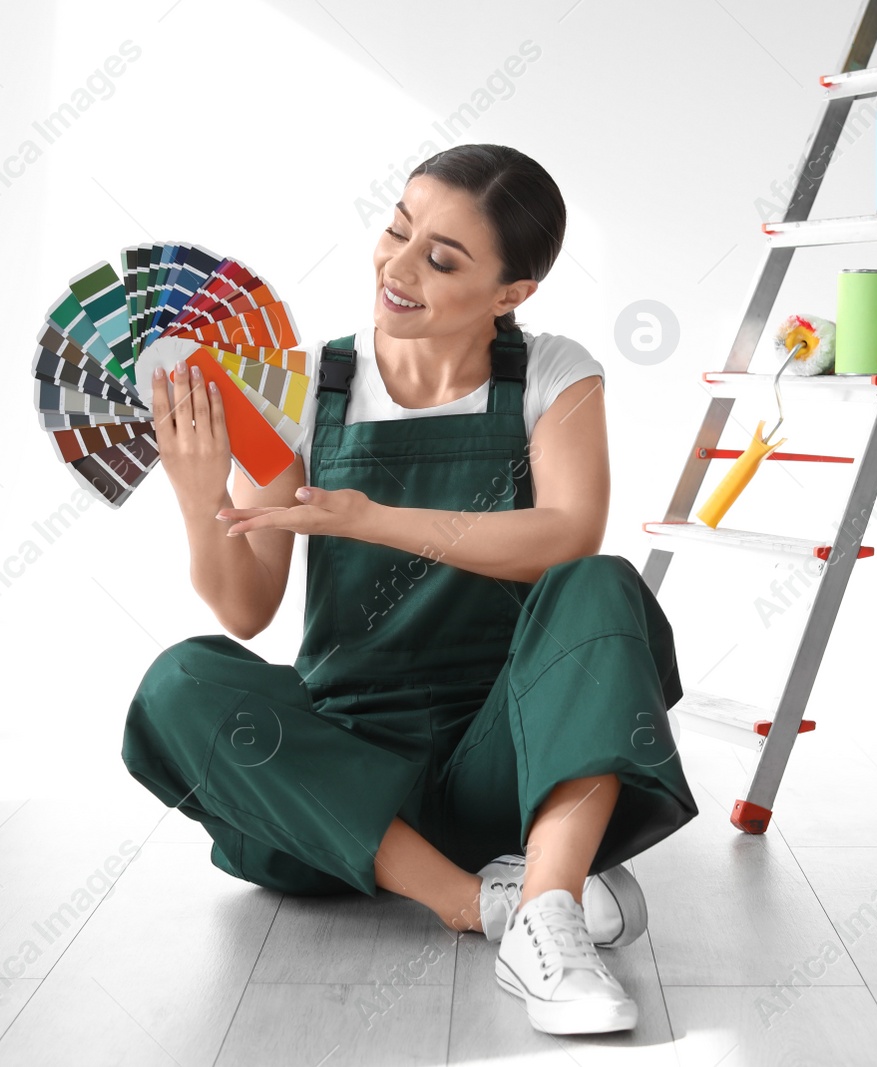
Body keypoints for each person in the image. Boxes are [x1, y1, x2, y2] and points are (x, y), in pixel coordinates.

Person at [121, 143, 698, 1036]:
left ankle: (544, 908)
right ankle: (489, 901)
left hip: (505, 762)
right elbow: (246, 607)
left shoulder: (553, 373)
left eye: (441, 258)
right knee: (178, 683)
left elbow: (567, 532)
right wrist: (201, 499)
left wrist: (365, 516)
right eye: (397, 229)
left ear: (512, 294)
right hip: (345, 785)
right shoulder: (309, 387)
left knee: (601, 584)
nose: (396, 266)